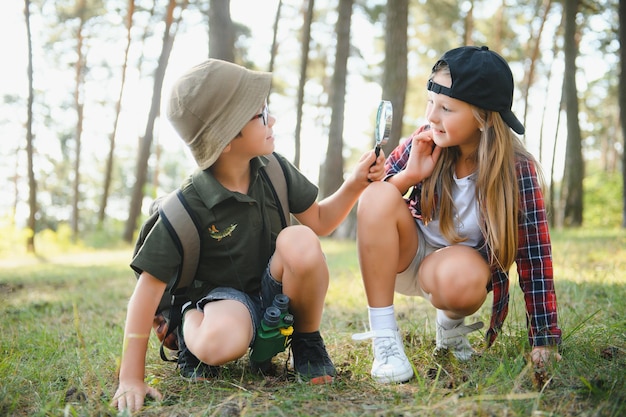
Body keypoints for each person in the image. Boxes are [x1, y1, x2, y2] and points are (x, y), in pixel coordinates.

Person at [112, 59, 385, 412]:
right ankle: (189, 329)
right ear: (225, 140)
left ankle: (306, 341)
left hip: (275, 293)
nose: (272, 120)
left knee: (300, 241)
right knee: (219, 341)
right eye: (261, 114)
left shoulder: (274, 169)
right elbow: (144, 295)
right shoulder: (184, 209)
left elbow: (319, 221)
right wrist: (131, 378)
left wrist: (355, 184)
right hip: (221, 304)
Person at [352, 46, 562, 384]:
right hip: (405, 257)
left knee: (461, 281)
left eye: (446, 108)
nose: (432, 117)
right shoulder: (423, 142)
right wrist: (408, 176)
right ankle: (385, 338)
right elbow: (372, 207)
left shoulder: (517, 171)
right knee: (378, 194)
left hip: (457, 272)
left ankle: (449, 327)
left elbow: (535, 257)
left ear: (482, 117)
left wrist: (544, 338)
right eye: (430, 103)